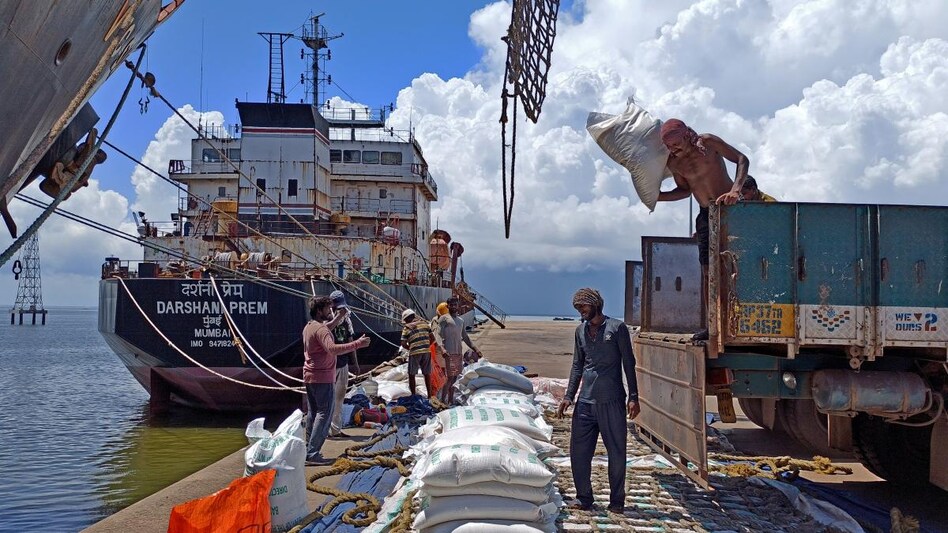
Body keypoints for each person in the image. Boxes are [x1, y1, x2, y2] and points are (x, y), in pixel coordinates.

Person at [656, 118, 750, 340]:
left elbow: (742, 159)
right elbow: (684, 191)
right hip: (706, 215)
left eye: (676, 144)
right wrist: (659, 197)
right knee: (708, 272)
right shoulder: (674, 163)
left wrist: (736, 190)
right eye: (669, 146)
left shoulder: (708, 143)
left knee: (740, 267)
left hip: (731, 210)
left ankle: (744, 320)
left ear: (687, 135)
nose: (673, 149)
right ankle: (712, 325)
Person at [557, 288, 639, 513]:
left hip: (612, 401)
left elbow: (628, 363)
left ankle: (617, 501)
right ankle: (584, 498)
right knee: (579, 453)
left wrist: (633, 396)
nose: (580, 310)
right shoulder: (580, 331)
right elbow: (577, 365)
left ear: (596, 304)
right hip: (585, 403)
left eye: (583, 306)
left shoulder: (617, 328)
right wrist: (568, 396)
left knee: (617, 452)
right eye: (577, 307)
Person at [302, 296, 370, 466]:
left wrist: (339, 318)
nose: (330, 311)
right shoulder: (322, 330)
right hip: (323, 376)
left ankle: (307, 449)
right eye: (327, 309)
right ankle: (313, 453)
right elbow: (332, 349)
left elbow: (324, 329)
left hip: (310, 375)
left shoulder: (310, 327)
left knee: (313, 413)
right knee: (324, 413)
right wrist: (357, 344)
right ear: (319, 311)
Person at [432, 296, 483, 404]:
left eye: (455, 304)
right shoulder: (444, 318)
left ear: (458, 306)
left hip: (458, 352)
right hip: (448, 353)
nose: (454, 307)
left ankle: (450, 400)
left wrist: (475, 348)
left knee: (455, 378)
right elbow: (438, 335)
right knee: (450, 378)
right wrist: (442, 349)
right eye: (451, 305)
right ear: (448, 306)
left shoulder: (460, 320)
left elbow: (465, 337)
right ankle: (442, 401)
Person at [327, 290, 360, 439]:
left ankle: (336, 429)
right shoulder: (326, 320)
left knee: (339, 398)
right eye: (337, 307)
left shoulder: (347, 320)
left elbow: (350, 341)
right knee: (327, 398)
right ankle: (324, 429)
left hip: (343, 363)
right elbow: (324, 333)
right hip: (328, 365)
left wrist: (355, 363)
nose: (340, 310)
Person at [400, 308, 435, 398]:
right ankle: (429, 396)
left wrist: (411, 347)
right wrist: (426, 345)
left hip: (414, 352)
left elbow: (403, 344)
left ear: (407, 319)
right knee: (427, 374)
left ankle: (413, 396)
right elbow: (433, 338)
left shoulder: (407, 328)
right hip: (427, 351)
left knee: (412, 374)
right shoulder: (425, 324)